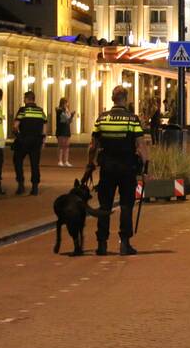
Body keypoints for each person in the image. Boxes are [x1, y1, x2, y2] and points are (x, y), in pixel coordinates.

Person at [87, 86, 148, 256]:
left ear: (112, 98)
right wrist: (146, 167)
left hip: (107, 167)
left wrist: (89, 163)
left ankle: (102, 244)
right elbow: (141, 144)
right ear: (126, 98)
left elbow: (93, 146)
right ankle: (125, 243)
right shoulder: (132, 119)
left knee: (104, 205)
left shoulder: (102, 119)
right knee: (126, 205)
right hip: (127, 167)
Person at [12, 91, 48, 195]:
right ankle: (35, 187)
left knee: (18, 161)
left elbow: (15, 126)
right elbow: (45, 127)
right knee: (35, 164)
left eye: (24, 98)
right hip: (36, 141)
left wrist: (18, 136)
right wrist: (43, 141)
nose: (23, 100)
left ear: (27, 99)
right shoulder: (40, 111)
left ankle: (21, 185)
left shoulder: (23, 110)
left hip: (23, 141)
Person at [55, 97, 75, 167]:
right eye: (66, 103)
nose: (67, 104)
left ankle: (66, 161)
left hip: (66, 129)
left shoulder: (67, 110)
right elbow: (65, 119)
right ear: (63, 103)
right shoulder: (59, 110)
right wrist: (71, 116)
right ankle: (60, 161)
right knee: (61, 146)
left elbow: (69, 121)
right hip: (61, 129)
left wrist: (71, 116)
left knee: (67, 146)